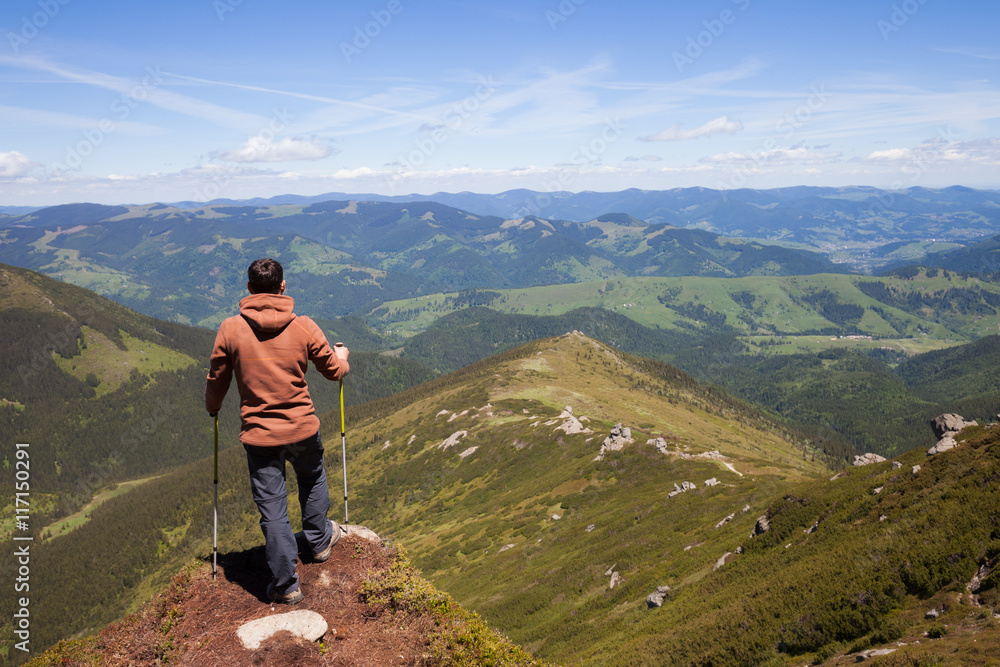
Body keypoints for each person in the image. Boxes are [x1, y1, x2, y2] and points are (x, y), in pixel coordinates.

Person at [205, 257, 350, 604]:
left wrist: (212, 408)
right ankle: (318, 543)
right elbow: (333, 370)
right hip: (301, 428)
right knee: (312, 479)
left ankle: (286, 585)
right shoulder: (303, 326)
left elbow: (217, 380)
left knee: (272, 507)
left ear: (249, 288)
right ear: (283, 287)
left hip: (259, 436)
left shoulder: (230, 329)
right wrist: (342, 356)